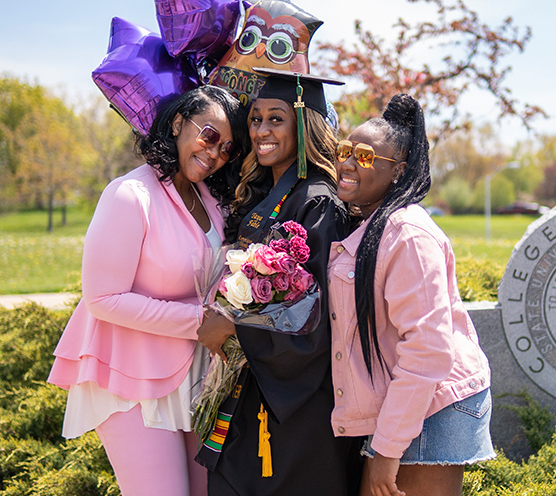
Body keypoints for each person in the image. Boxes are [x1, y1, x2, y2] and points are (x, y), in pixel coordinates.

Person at [47, 85, 249, 496]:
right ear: (178, 124)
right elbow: (103, 298)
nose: (215, 153)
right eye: (209, 136)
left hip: (192, 378)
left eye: (227, 148)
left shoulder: (210, 198)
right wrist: (198, 322)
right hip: (129, 378)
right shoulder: (128, 195)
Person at [196, 70, 363, 495]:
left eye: (276, 118)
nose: (262, 131)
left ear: (303, 124)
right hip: (259, 387)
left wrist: (234, 328)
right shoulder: (264, 196)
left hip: (297, 406)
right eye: (255, 119)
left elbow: (320, 316)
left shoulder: (319, 203)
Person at [328, 93, 495, 496]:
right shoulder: (372, 224)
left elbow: (428, 348)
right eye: (345, 150)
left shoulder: (407, 233)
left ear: (398, 172)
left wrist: (387, 449)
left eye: (365, 157)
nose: (348, 163)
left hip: (431, 405)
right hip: (405, 403)